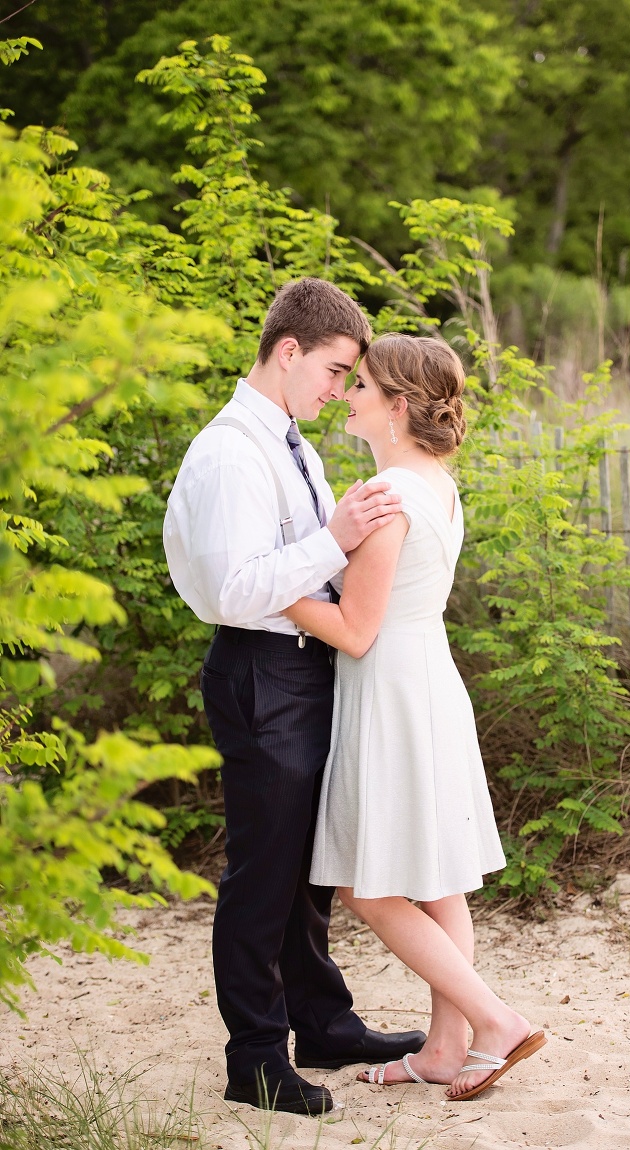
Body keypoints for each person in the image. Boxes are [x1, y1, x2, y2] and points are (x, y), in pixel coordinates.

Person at [163, 279, 427, 1117]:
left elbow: (309, 562)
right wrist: (334, 539)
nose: (341, 390)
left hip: (307, 668)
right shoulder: (231, 452)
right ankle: (254, 1059)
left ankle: (322, 1022)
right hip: (258, 672)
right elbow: (233, 590)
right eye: (336, 370)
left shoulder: (292, 442)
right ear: (288, 352)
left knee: (307, 870)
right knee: (263, 871)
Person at [282, 334, 546, 1102]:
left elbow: (356, 629)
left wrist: (260, 585)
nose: (346, 394)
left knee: (370, 887)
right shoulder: (435, 482)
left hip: (391, 686)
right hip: (427, 677)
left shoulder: (388, 497)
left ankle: (493, 1021)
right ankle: (443, 1048)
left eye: (360, 385)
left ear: (397, 407)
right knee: (435, 877)